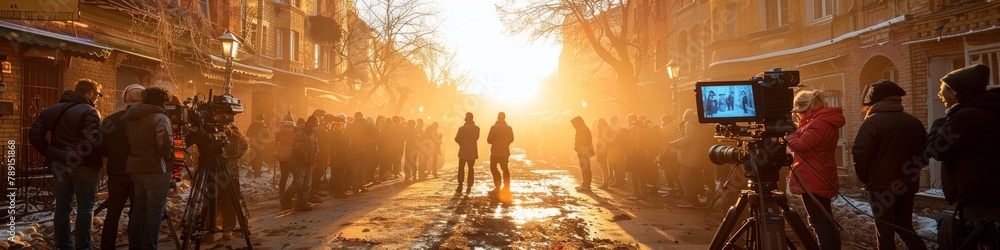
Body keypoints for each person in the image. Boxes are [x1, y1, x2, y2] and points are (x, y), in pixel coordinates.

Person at [928, 64, 1000, 248]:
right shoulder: (986, 110)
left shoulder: (968, 117)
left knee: (981, 240)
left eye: (942, 89)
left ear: (954, 92)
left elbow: (937, 149)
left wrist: (938, 125)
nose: (939, 94)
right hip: (989, 194)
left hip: (980, 198)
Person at [851, 80, 928, 250]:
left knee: (885, 233)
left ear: (875, 101)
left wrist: (866, 179)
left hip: (881, 187)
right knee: (905, 227)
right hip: (907, 185)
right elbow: (925, 155)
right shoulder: (914, 122)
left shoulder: (872, 122)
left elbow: (860, 153)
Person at [28, 79, 104, 250]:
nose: (97, 99)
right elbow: (92, 142)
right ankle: (83, 247)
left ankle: (63, 245)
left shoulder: (50, 110)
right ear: (90, 93)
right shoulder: (90, 111)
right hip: (83, 166)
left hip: (59, 164)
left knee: (62, 207)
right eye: (97, 95)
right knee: (86, 207)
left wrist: (50, 152)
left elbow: (34, 135)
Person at [785, 90, 845, 250]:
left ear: (806, 109)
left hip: (812, 178)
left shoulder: (818, 123)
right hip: (819, 174)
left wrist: (789, 133)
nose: (797, 116)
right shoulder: (821, 120)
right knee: (826, 220)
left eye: (798, 113)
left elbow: (801, 146)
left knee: (819, 223)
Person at [124, 87, 174, 249]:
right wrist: (170, 157)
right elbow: (165, 145)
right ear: (163, 101)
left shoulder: (131, 116)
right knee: (154, 212)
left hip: (136, 168)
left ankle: (135, 245)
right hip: (155, 169)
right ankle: (149, 246)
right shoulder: (160, 117)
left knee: (139, 209)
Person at [97, 84, 143, 249]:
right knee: (137, 213)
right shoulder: (147, 121)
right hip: (139, 174)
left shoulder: (110, 120)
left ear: (125, 100)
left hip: (117, 173)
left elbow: (102, 149)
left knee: (113, 213)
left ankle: (107, 246)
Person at [670, 109, 712, 208]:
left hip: (688, 155)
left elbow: (688, 138)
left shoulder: (689, 124)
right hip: (695, 154)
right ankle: (694, 198)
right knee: (691, 177)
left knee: (683, 177)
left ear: (686, 116)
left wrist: (674, 143)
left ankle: (689, 199)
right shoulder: (697, 123)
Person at [282, 116, 318, 211]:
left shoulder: (313, 134)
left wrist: (312, 159)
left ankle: (302, 203)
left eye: (315, 126)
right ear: (308, 123)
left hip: (309, 162)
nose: (314, 127)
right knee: (298, 183)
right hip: (299, 162)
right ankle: (285, 198)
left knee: (307, 184)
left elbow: (316, 147)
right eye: (313, 125)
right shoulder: (300, 133)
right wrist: (307, 159)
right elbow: (299, 148)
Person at [347, 112, 379, 192]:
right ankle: (361, 185)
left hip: (355, 149)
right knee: (363, 168)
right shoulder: (368, 125)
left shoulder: (352, 125)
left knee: (356, 168)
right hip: (366, 149)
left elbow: (347, 135)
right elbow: (378, 132)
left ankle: (355, 186)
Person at [486, 112, 515, 193]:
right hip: (505, 151)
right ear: (504, 118)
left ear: (497, 117)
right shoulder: (509, 128)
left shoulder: (493, 127)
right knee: (505, 168)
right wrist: (506, 143)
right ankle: (506, 185)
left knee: (493, 167)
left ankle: (498, 184)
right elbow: (512, 139)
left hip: (495, 151)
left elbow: (489, 140)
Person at [454, 112, 480, 194]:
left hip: (463, 151)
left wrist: (462, 143)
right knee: (471, 168)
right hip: (472, 151)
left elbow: (457, 138)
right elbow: (476, 138)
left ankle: (460, 185)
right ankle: (469, 185)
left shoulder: (462, 129)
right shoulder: (477, 128)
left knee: (461, 168)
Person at [328, 114, 351, 199]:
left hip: (338, 158)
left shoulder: (334, 136)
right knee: (339, 176)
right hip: (339, 158)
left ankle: (337, 191)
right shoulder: (338, 137)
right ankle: (338, 191)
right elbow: (345, 148)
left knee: (337, 175)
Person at [572, 116, 596, 192]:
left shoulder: (582, 129)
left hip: (583, 152)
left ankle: (586, 186)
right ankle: (585, 184)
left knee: (585, 169)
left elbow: (582, 141)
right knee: (585, 168)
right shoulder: (583, 128)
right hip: (583, 151)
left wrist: (578, 149)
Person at [275, 112, 296, 196]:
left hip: (282, 155)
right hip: (292, 155)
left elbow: (276, 142)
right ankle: (293, 191)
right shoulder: (295, 132)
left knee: (284, 175)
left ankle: (281, 192)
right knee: (295, 174)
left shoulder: (279, 133)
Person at [607, 116, 627, 187]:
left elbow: (612, 139)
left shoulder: (616, 128)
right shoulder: (622, 127)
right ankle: (621, 182)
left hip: (615, 149)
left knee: (616, 166)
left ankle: (618, 182)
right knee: (620, 166)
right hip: (620, 149)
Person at [594, 118, 612, 189]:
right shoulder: (607, 129)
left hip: (602, 150)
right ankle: (605, 182)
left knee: (603, 166)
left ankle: (605, 182)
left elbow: (600, 141)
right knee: (604, 166)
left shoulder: (602, 130)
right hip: (606, 149)